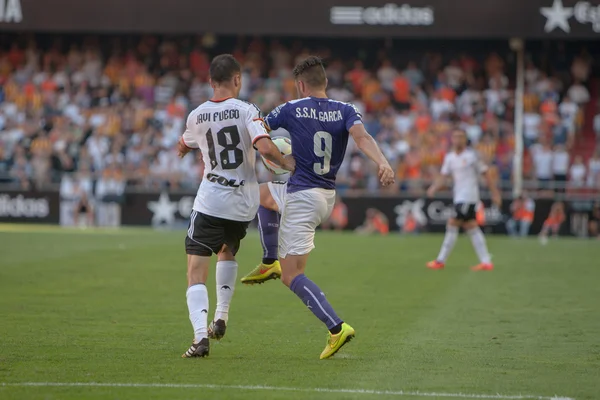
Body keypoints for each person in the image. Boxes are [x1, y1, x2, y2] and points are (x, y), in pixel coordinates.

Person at [240, 56, 394, 359]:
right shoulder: (346, 110)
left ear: (300, 84)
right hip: (325, 196)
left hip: (301, 197)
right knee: (261, 195)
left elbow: (259, 132)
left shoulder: (291, 108)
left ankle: (337, 328)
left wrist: (277, 158)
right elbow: (362, 139)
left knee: (292, 275)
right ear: (325, 82)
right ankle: (270, 259)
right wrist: (383, 162)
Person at [177, 54, 294, 358]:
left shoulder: (196, 115)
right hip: (243, 203)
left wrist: (182, 147)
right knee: (226, 251)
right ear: (237, 79)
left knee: (195, 272)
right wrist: (286, 164)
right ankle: (222, 316)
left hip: (212, 199)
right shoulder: (247, 110)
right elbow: (265, 146)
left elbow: (185, 142)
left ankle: (200, 337)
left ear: (210, 81)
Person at [426, 129, 501, 271]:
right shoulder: (450, 158)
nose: (457, 140)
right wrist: (434, 188)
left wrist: (495, 193)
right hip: (459, 197)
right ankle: (486, 262)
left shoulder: (472, 156)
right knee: (471, 226)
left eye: (460, 137)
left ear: (465, 139)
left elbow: (486, 174)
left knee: (452, 223)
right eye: (455, 137)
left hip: (468, 197)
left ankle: (440, 260)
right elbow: (443, 176)